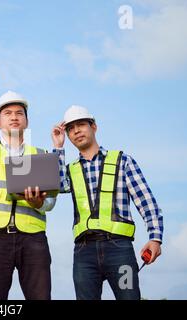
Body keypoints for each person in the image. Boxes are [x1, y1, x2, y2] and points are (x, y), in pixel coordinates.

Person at [51, 105, 164, 300]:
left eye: (81, 125)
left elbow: (146, 201)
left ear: (93, 126)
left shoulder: (122, 161)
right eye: (70, 128)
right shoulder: (71, 169)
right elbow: (57, 185)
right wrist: (58, 148)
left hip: (119, 250)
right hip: (83, 253)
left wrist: (155, 238)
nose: (76, 131)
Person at [0, 70, 56, 300]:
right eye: (7, 113)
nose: (14, 116)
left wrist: (39, 202)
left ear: (26, 122)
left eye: (19, 113)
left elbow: (50, 203)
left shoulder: (40, 155)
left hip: (34, 240)